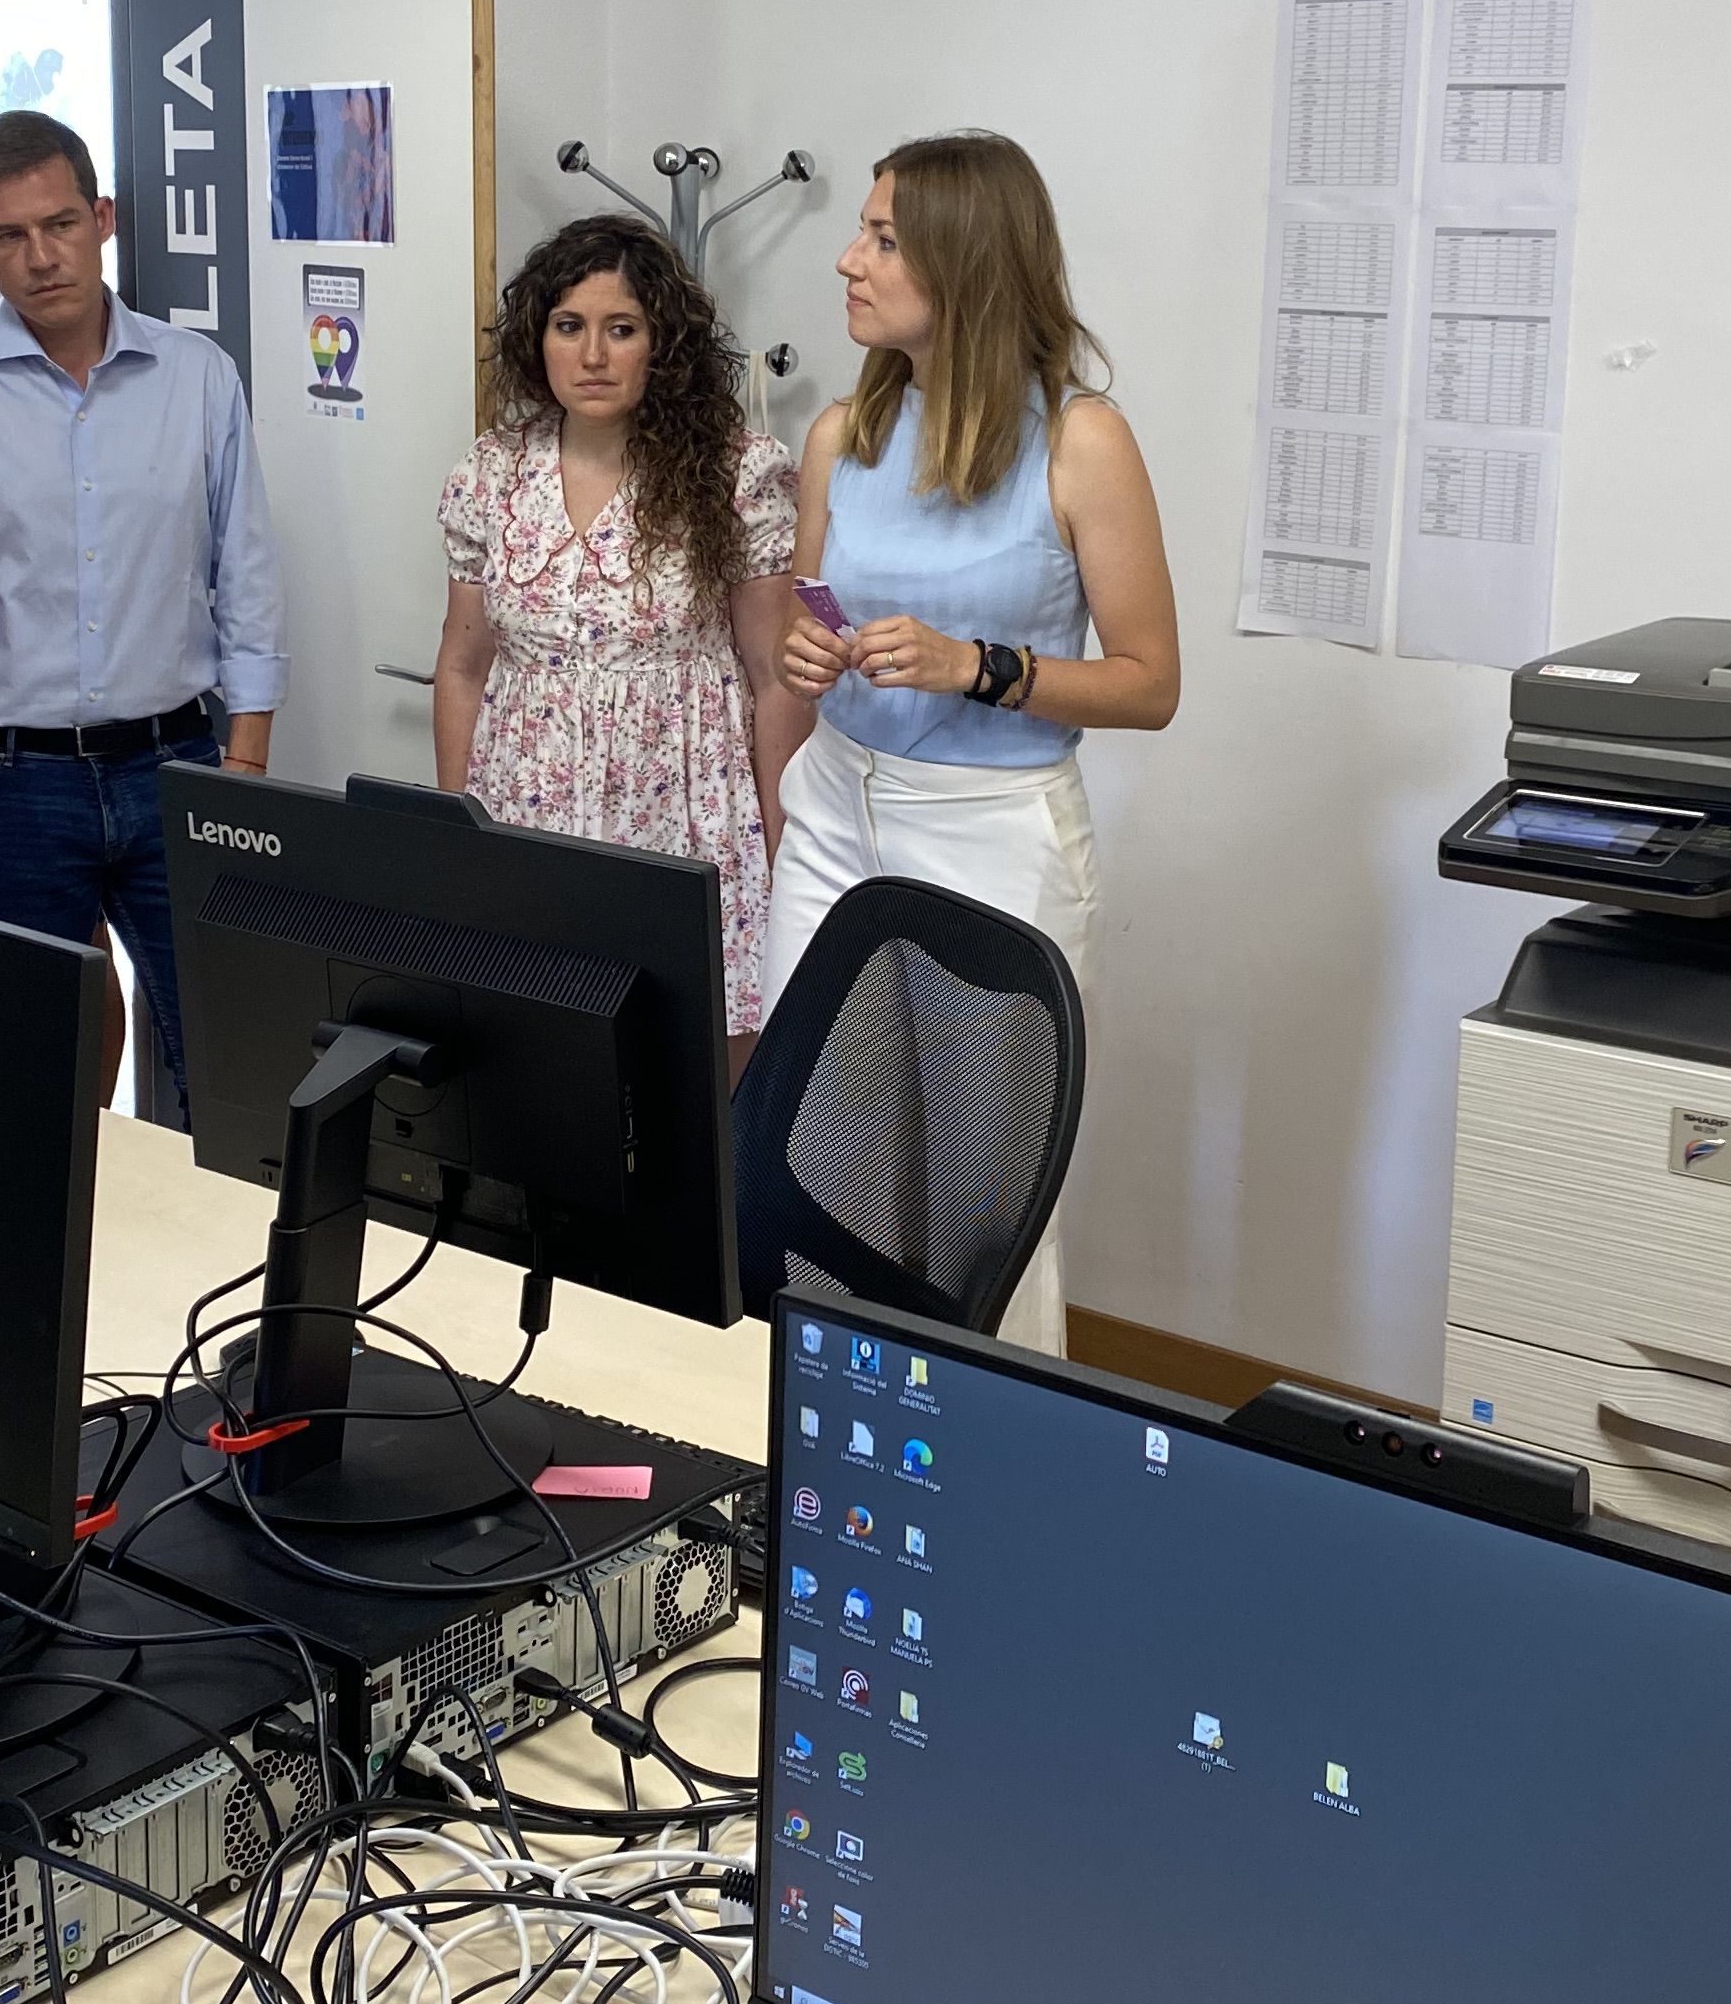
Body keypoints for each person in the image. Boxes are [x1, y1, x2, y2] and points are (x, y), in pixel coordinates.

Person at [769, 131, 1182, 1351]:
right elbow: (812, 605)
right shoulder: (843, 435)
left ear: (966, 264)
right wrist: (807, 654)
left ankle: (1004, 1478)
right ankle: (824, 1454)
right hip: (838, 817)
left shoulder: (1080, 442)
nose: (849, 259)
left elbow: (1150, 683)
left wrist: (979, 668)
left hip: (992, 838)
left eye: (884, 239)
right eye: (861, 229)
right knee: (815, 1161)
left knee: (985, 1208)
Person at [0, 109, 282, 1122]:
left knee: (240, 1053)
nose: (39, 257)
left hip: (177, 767)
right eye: (8, 236)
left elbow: (247, 574)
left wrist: (245, 767)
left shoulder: (199, 376)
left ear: (103, 218)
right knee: (23, 1073)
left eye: (60, 224)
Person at [433, 217, 809, 1057]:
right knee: (546, 1084)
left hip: (688, 823)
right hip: (528, 823)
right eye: (570, 327)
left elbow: (776, 678)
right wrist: (456, 838)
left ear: (662, 346)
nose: (593, 355)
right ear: (540, 340)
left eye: (622, 329)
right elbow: (461, 666)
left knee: (699, 1107)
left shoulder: (737, 475)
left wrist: (785, 855)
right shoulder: (489, 475)